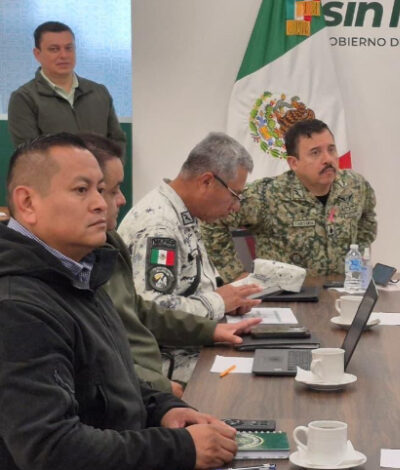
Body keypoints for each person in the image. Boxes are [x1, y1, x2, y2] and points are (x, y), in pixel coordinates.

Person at [0, 133, 238, 470]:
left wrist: (161, 408)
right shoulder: (18, 308)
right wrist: (179, 449)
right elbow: (51, 449)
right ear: (27, 203)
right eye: (81, 190)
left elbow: (106, 381)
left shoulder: (80, 270)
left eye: (101, 189)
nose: (101, 203)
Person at [80, 133, 261, 396]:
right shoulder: (160, 226)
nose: (235, 207)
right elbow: (152, 306)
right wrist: (219, 302)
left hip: (187, 348)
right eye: (235, 195)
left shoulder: (182, 213)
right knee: (251, 391)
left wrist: (228, 300)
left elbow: (167, 296)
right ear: (207, 181)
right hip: (170, 364)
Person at [202, 119, 377, 282]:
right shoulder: (267, 195)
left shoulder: (354, 186)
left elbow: (367, 218)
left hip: (343, 292)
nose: (328, 159)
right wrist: (235, 275)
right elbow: (212, 220)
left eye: (331, 149)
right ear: (294, 163)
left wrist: (358, 258)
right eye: (315, 153)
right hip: (287, 297)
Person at [7, 21, 126, 153]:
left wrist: (108, 166)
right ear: (37, 54)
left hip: (100, 167)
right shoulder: (24, 98)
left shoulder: (98, 92)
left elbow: (117, 141)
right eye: (54, 49)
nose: (64, 55)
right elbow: (30, 154)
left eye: (69, 48)